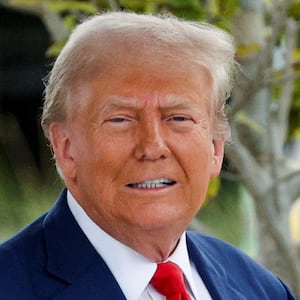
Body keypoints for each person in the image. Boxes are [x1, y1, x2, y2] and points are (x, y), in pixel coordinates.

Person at [0, 11, 295, 300]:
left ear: (216, 147)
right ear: (65, 147)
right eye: (120, 119)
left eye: (178, 118)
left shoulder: (261, 288)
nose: (152, 147)